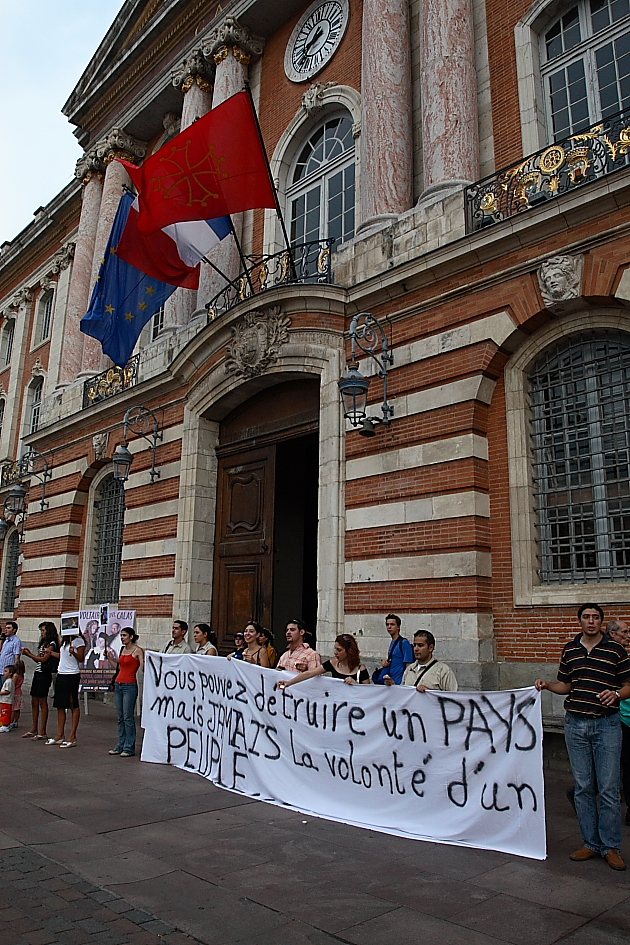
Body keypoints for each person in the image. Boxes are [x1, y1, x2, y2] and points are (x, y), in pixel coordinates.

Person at [535, 603, 630, 870]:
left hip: (607, 725)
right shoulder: (570, 650)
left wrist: (617, 694)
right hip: (576, 725)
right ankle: (590, 843)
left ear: (601, 622)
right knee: (584, 787)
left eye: (596, 617)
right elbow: (566, 684)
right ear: (580, 621)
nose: (591, 621)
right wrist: (547, 685)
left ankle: (611, 846)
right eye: (587, 617)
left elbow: (628, 684)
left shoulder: (616, 650)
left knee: (609, 788)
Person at [278, 634, 370, 689]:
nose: (335, 652)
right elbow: (310, 673)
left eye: (339, 650)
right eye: (335, 649)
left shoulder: (360, 669)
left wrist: (356, 685)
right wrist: (288, 683)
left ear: (349, 651)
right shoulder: (332, 663)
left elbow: (369, 693)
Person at [109, 628, 144, 758]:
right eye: (121, 635)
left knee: (128, 716)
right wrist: (110, 659)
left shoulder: (137, 650)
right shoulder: (122, 650)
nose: (122, 638)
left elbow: (143, 667)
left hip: (129, 685)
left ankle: (129, 746)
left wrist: (145, 660)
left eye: (124, 635)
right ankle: (121, 744)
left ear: (131, 637)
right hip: (119, 684)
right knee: (120, 717)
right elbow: (119, 668)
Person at [46, 631, 85, 748]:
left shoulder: (78, 641)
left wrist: (74, 653)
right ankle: (60, 734)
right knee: (60, 704)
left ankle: (72, 736)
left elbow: (81, 658)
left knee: (73, 703)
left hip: (72, 674)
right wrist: (51, 653)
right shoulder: (64, 642)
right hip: (62, 673)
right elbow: (63, 657)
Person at [608, 619, 630, 826]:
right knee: (623, 763)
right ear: (612, 634)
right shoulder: (610, 656)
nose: (628, 635)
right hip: (621, 717)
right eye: (624, 631)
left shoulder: (624, 655)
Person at [386, 630, 458, 692]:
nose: (416, 649)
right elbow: (403, 695)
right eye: (414, 645)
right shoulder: (409, 670)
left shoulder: (443, 671)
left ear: (431, 648)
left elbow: (452, 699)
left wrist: (429, 693)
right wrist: (394, 686)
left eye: (420, 645)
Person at [22, 622, 60, 739]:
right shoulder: (43, 644)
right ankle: (34, 728)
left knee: (42, 701)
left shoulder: (52, 644)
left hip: (45, 674)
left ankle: (42, 731)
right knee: (34, 700)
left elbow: (43, 660)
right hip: (38, 672)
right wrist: (32, 655)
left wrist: (29, 655)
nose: (42, 633)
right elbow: (38, 659)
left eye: (43, 631)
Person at [373, 614, 414, 685]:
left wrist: (405, 683)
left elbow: (409, 666)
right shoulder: (393, 642)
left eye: (392, 624)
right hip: (391, 682)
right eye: (387, 624)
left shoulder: (404, 643)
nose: (389, 627)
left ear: (398, 627)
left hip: (399, 682)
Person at [0, 664, 16, 733]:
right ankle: (5, 724)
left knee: (5, 713)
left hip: (7, 700)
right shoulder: (9, 681)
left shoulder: (9, 681)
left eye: (6, 671)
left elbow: (7, 691)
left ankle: (5, 725)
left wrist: (0, 693)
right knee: (4, 712)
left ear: (10, 673)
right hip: (5, 700)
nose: (4, 673)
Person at [10, 658, 25, 729]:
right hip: (19, 693)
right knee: (17, 709)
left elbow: (13, 685)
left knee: (13, 709)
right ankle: (16, 721)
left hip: (15, 693)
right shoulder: (22, 675)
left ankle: (11, 722)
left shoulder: (15, 676)